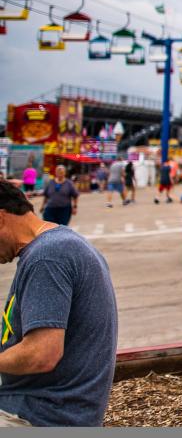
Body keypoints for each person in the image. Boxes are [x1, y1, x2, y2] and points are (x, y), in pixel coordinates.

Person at [0, 179, 118, 426]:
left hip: (39, 415)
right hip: (44, 406)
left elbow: (43, 354)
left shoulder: (48, 257)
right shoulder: (60, 245)